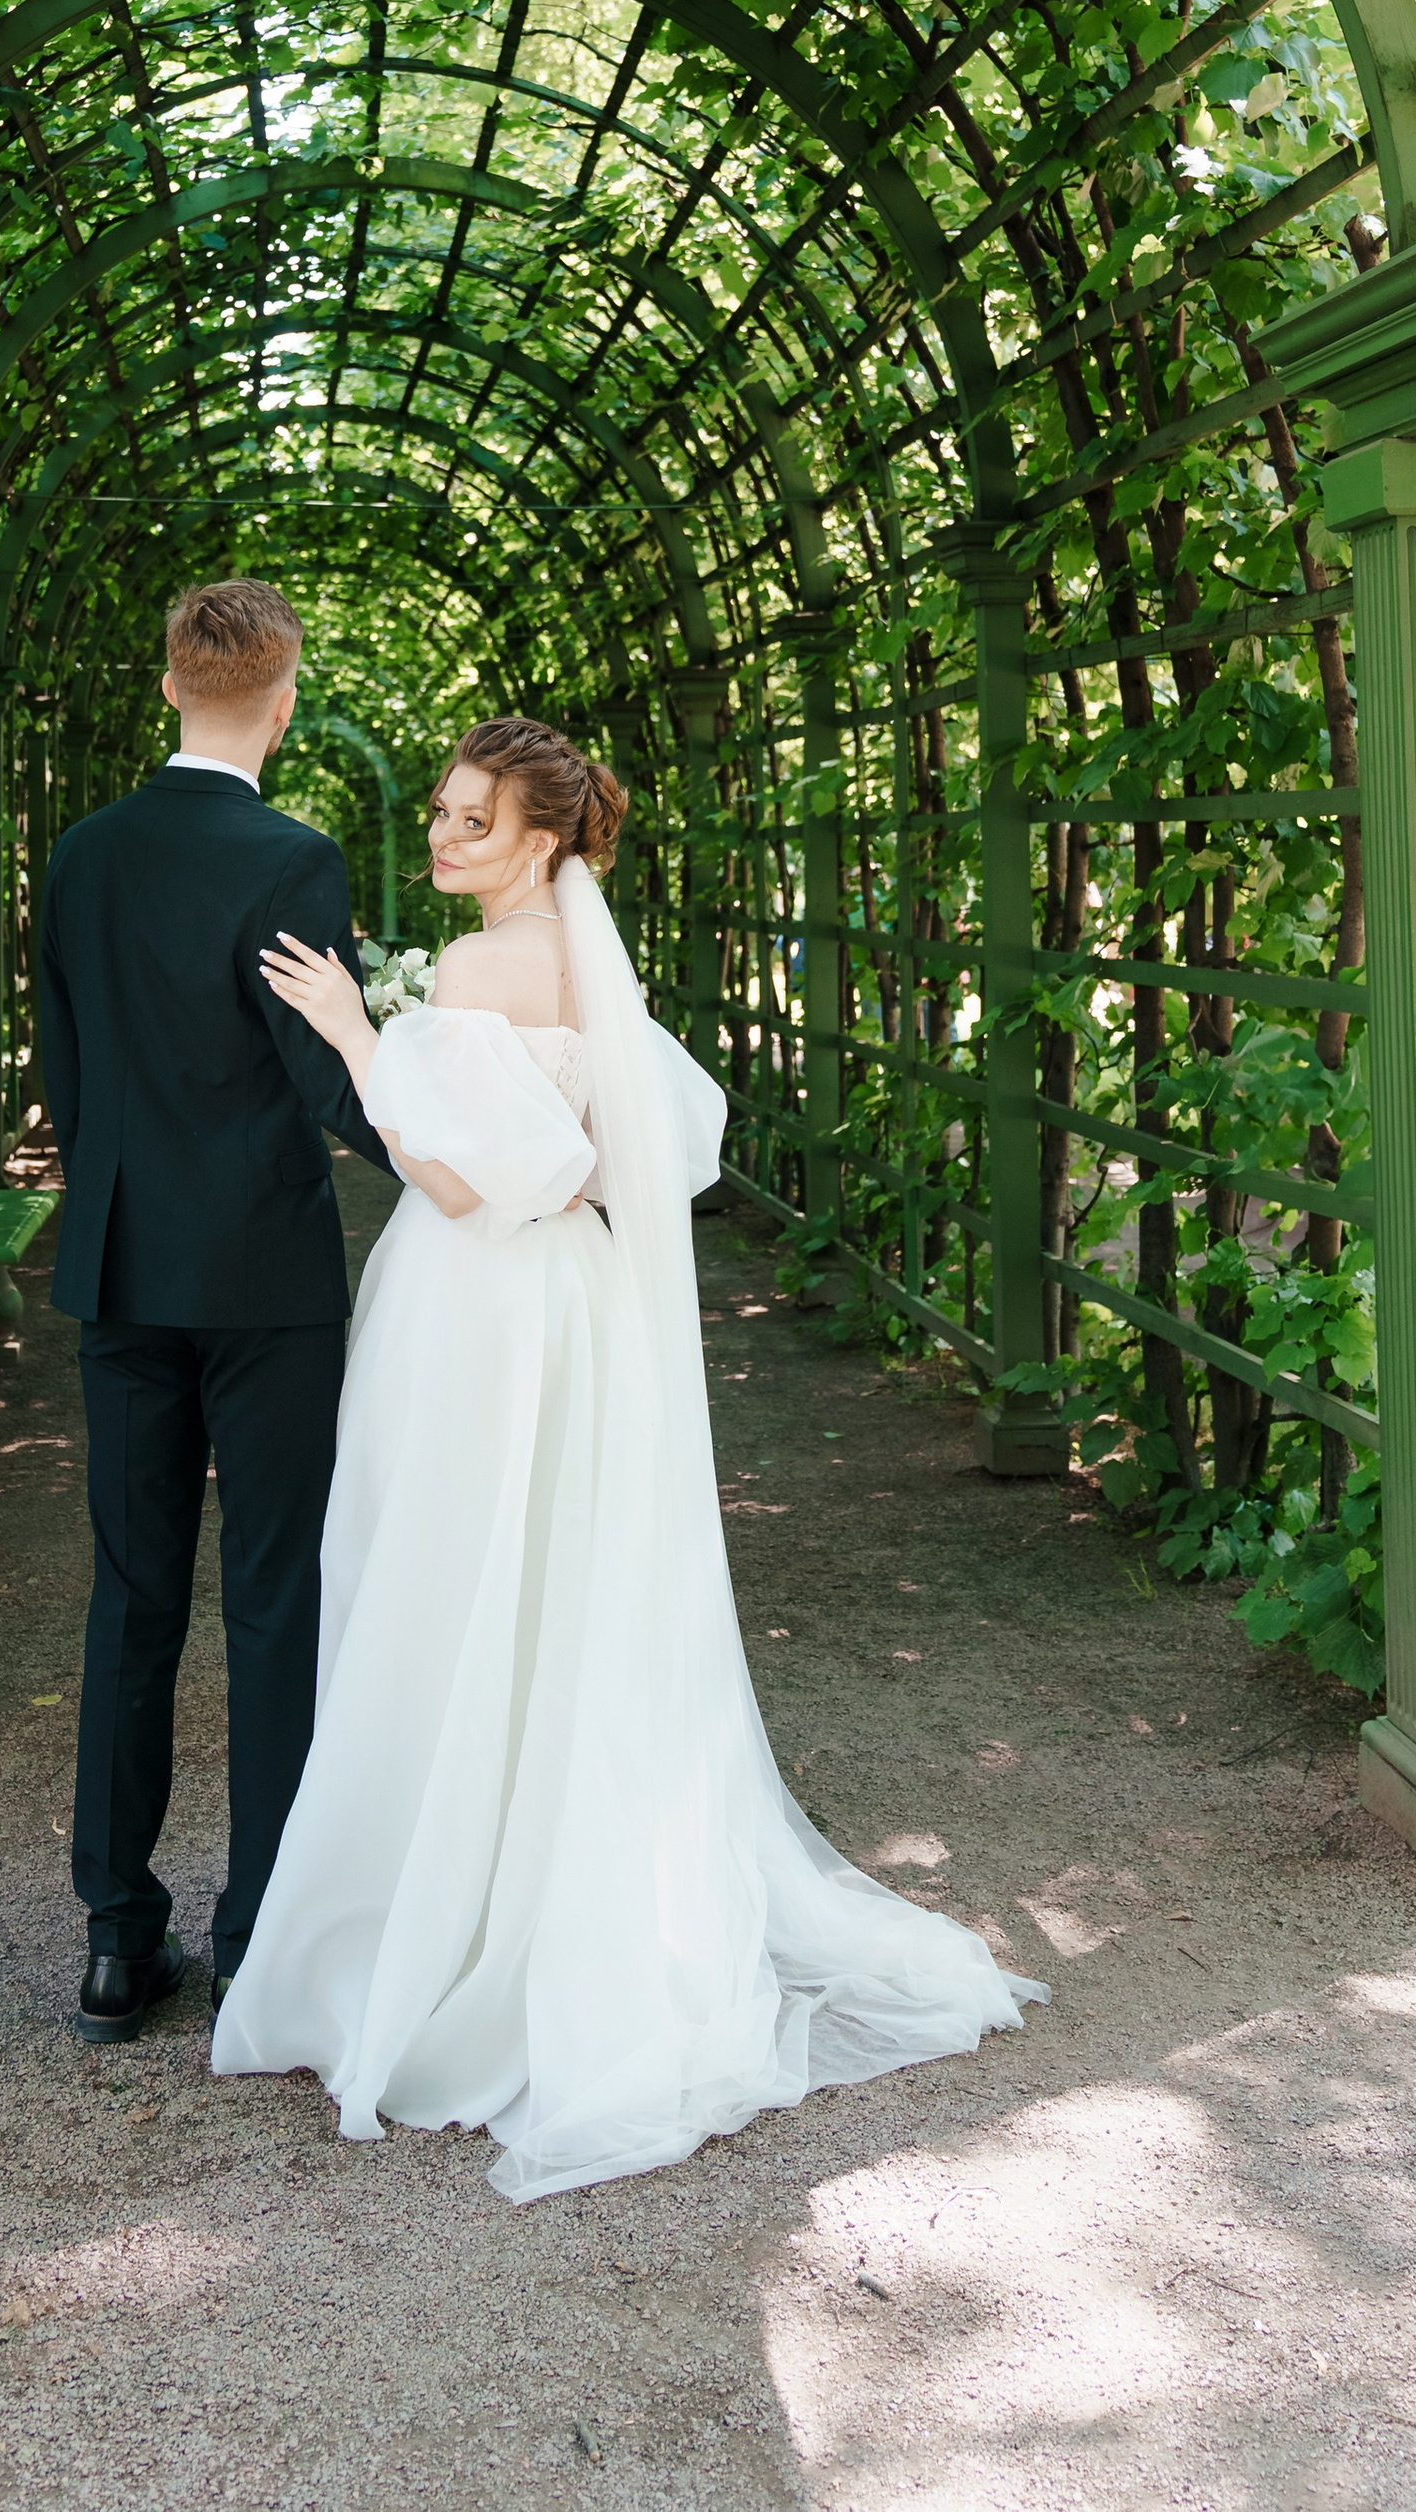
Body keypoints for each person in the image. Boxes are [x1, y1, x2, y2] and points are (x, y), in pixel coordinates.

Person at [218, 713, 1043, 2199]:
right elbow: (628, 1155)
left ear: (541, 839)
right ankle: (558, 1910)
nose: (443, 838)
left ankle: (453, 1934)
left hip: (473, 1312)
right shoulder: (596, 968)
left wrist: (355, 1039)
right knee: (562, 1596)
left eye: (473, 821)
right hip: (578, 1308)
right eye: (442, 813)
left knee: (450, 1591)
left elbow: (462, 1187)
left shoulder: (469, 972)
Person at [39, 576, 384, 2043]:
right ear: (284, 698)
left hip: (125, 1267)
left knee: (133, 1599)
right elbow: (330, 1082)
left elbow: (63, 1067)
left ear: (169, 683)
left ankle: (119, 1941)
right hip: (265, 1280)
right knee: (272, 1597)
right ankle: (261, 1932)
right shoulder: (295, 860)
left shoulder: (84, 857)